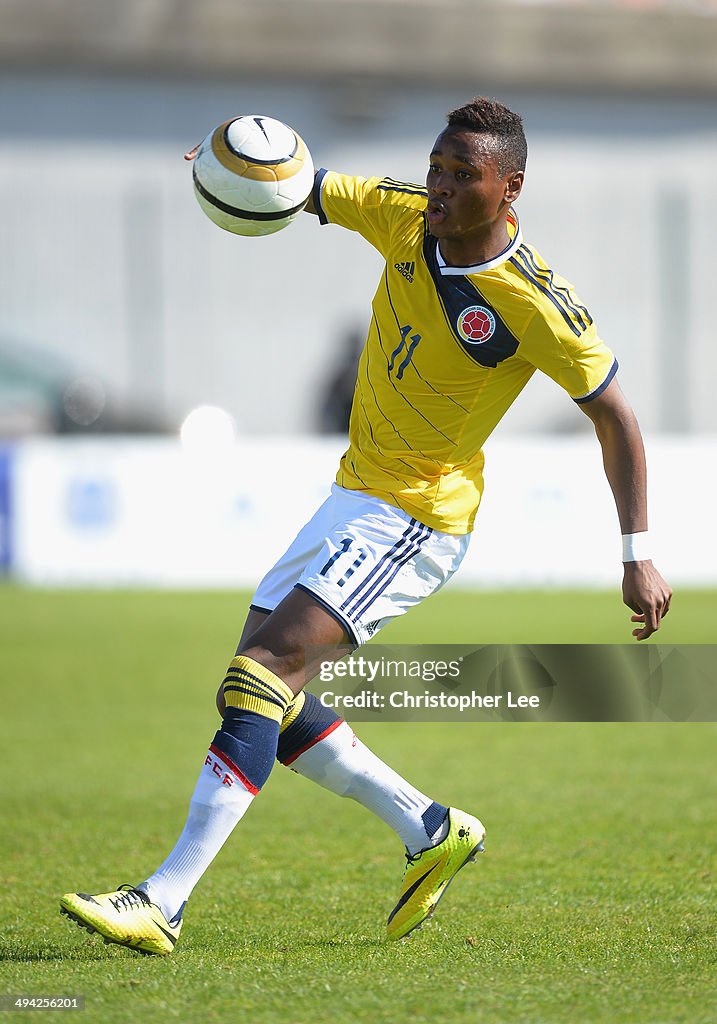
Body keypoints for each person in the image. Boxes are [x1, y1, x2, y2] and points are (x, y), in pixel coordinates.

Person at [60, 97, 671, 955]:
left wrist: (636, 555)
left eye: (464, 176)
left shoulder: (530, 302)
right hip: (351, 497)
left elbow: (616, 417)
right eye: (435, 167)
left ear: (510, 189)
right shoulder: (402, 217)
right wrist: (224, 164)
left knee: (261, 671)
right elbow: (299, 182)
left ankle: (162, 900)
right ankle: (429, 828)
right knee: (266, 696)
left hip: (418, 516)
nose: (440, 188)